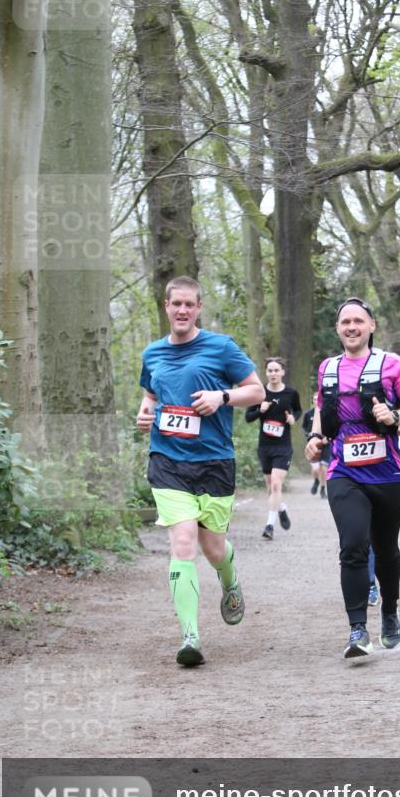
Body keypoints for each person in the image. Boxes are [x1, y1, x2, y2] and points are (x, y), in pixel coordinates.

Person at [137, 276, 265, 668]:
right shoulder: (152, 353)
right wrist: (144, 414)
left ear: (198, 307)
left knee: (213, 549)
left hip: (213, 461)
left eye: (189, 304)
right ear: (166, 305)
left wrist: (221, 397)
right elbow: (151, 396)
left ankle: (228, 578)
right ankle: (190, 635)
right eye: (176, 304)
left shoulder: (221, 347)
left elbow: (257, 392)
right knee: (182, 544)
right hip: (167, 461)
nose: (182, 310)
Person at [305, 297, 400, 658]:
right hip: (344, 471)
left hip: (386, 473)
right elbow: (321, 411)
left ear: (372, 326)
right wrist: (314, 438)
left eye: (358, 321)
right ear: (338, 329)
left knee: (386, 551)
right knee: (353, 545)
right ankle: (358, 629)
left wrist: (393, 417)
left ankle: (389, 609)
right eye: (345, 322)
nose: (352, 327)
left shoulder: (391, 364)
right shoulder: (328, 367)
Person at [245, 357, 302, 540]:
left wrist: (293, 418)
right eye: (270, 370)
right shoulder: (259, 393)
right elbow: (248, 417)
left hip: (283, 446)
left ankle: (269, 525)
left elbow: (298, 410)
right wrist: (259, 410)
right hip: (265, 447)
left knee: (276, 484)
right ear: (266, 372)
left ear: (283, 372)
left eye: (276, 370)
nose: (273, 374)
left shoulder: (291, 393)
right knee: (271, 488)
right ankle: (282, 507)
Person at [301, 393, 330, 499]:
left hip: (326, 444)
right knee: (315, 469)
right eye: (314, 399)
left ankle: (323, 488)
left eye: (318, 399)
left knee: (323, 468)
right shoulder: (308, 414)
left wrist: (328, 437)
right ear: (312, 401)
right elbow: (303, 427)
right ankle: (316, 481)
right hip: (314, 444)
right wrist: (309, 435)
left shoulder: (328, 412)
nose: (316, 401)